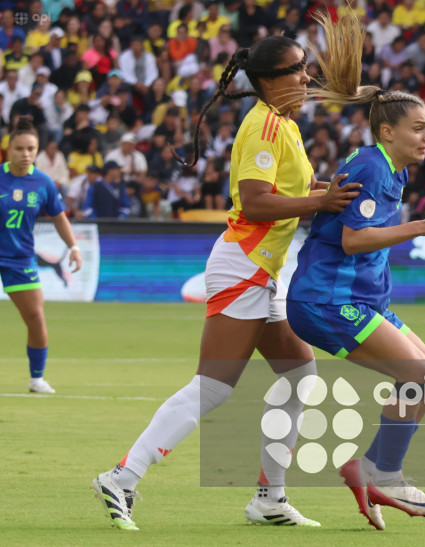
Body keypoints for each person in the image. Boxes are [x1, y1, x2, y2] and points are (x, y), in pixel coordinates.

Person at [92, 31, 361, 531]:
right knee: (212, 387)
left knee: (300, 376)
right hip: (244, 267)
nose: (307, 77)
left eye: (305, 66)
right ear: (268, 81)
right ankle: (121, 477)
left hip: (260, 270)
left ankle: (269, 499)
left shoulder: (284, 124)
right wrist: (320, 202)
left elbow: (300, 189)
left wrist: (341, 192)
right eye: (297, 69)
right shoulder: (262, 127)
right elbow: (256, 202)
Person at [286, 13, 425, 531]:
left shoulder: (389, 168)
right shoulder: (372, 166)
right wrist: (422, 226)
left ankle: (373, 469)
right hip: (327, 300)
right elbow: (352, 239)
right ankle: (383, 472)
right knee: (418, 377)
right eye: (419, 128)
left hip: (359, 300)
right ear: (387, 131)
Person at [0, 118, 82, 394]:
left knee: (35, 317)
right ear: (8, 150)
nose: (25, 154)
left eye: (31, 149)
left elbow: (59, 218)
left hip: (19, 259)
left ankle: (37, 379)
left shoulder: (43, 183)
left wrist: (74, 247)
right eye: (19, 149)